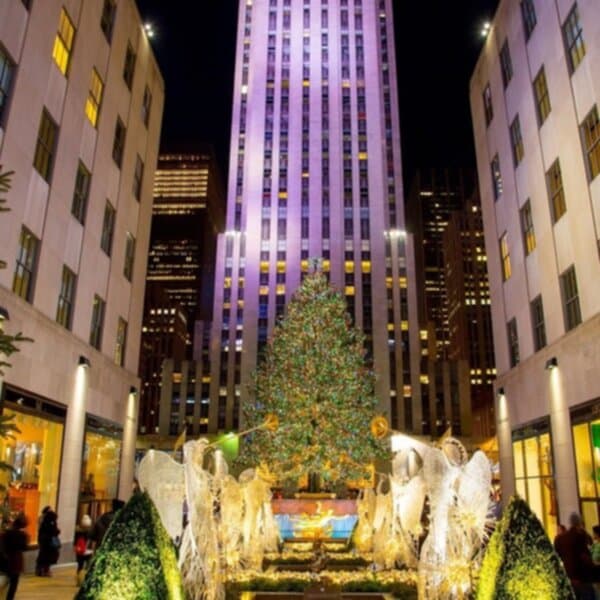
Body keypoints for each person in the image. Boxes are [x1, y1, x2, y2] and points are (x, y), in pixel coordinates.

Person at [555, 512, 596, 599]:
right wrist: (593, 566)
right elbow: (584, 556)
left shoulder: (559, 539)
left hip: (569, 577)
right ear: (579, 522)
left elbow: (558, 556)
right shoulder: (580, 536)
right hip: (582, 578)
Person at [2, 513, 29, 600]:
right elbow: (24, 547)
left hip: (5, 559)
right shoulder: (22, 535)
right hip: (15, 560)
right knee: (13, 583)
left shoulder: (6, 533)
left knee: (6, 579)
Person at [36, 508, 60, 576]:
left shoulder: (44, 522)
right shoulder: (51, 523)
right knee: (47, 557)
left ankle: (40, 570)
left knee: (43, 556)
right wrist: (57, 531)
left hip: (44, 542)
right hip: (49, 543)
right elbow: (54, 531)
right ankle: (45, 571)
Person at [74, 514, 93, 585]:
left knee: (80, 565)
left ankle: (79, 580)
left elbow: (75, 542)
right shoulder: (90, 531)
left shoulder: (77, 530)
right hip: (88, 551)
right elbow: (91, 541)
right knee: (88, 565)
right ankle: (85, 580)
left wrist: (76, 547)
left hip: (80, 551)